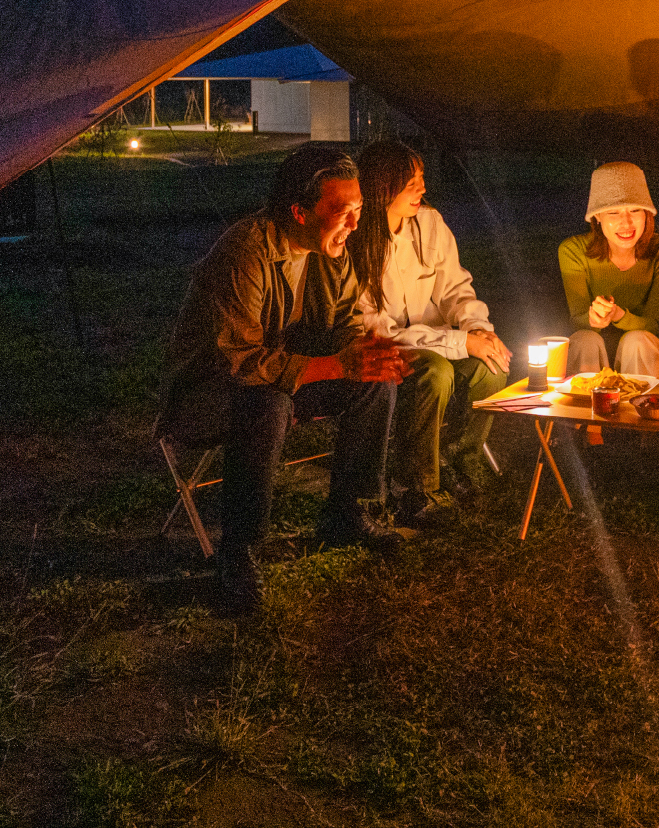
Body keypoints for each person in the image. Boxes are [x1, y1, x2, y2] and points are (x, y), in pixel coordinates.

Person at [154, 147, 410, 615]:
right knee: (267, 401)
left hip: (282, 378)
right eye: (343, 211)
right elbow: (238, 362)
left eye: (359, 211)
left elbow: (350, 318)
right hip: (207, 394)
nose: (355, 224)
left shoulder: (333, 251)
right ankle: (240, 554)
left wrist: (363, 352)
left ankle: (348, 514)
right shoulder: (246, 251)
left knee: (376, 381)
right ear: (299, 211)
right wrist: (337, 365)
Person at [350, 142, 512, 522]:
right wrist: (458, 342)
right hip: (386, 346)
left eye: (422, 179)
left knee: (493, 366)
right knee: (435, 372)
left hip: (438, 340)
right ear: (383, 188)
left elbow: (455, 288)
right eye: (412, 182)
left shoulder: (430, 223)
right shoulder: (357, 240)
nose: (422, 188)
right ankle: (418, 487)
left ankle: (460, 458)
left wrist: (478, 330)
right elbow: (378, 329)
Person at [559, 162, 659, 379]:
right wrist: (594, 319)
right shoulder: (573, 250)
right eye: (613, 212)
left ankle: (646, 409)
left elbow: (653, 323)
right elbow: (576, 320)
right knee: (585, 340)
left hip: (643, 350)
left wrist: (619, 315)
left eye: (635, 210)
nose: (626, 222)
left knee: (637, 341)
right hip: (590, 349)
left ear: (646, 214)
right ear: (597, 216)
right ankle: (580, 411)